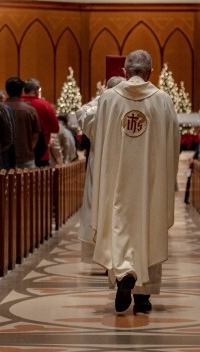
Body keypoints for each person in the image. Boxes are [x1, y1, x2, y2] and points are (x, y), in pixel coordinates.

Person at [88, 50, 178, 314]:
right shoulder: (162, 100)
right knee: (147, 227)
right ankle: (142, 298)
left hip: (116, 179)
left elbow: (97, 134)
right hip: (150, 181)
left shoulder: (108, 98)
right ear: (150, 73)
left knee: (118, 225)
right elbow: (173, 140)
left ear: (125, 72)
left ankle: (122, 275)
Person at [77, 75, 125, 263]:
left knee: (100, 209)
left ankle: (103, 254)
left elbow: (82, 112)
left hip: (100, 168)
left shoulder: (96, 112)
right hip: (122, 168)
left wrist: (102, 96)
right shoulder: (128, 109)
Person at [22, 78, 60, 166]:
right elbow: (55, 128)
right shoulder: (45, 105)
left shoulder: (17, 104)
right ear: (37, 89)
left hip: (19, 153)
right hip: (41, 153)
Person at [5, 77, 41, 169]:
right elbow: (36, 135)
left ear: (7, 90)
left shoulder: (0, 108)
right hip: (26, 157)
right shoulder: (30, 110)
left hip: (5, 157)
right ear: (21, 91)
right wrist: (29, 149)